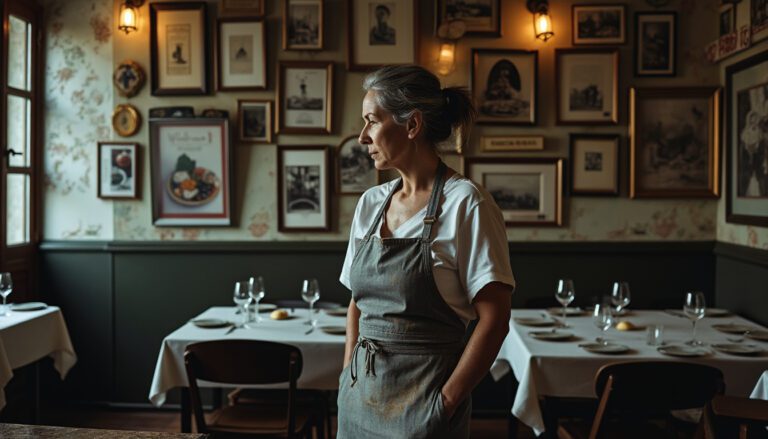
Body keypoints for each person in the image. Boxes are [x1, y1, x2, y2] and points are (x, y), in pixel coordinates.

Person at [337, 65, 516, 438]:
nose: (361, 137)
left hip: (425, 408)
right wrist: (345, 381)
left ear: (412, 125)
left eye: (372, 121)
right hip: (359, 402)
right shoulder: (370, 204)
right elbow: (357, 302)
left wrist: (445, 403)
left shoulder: (467, 204)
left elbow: (495, 319)